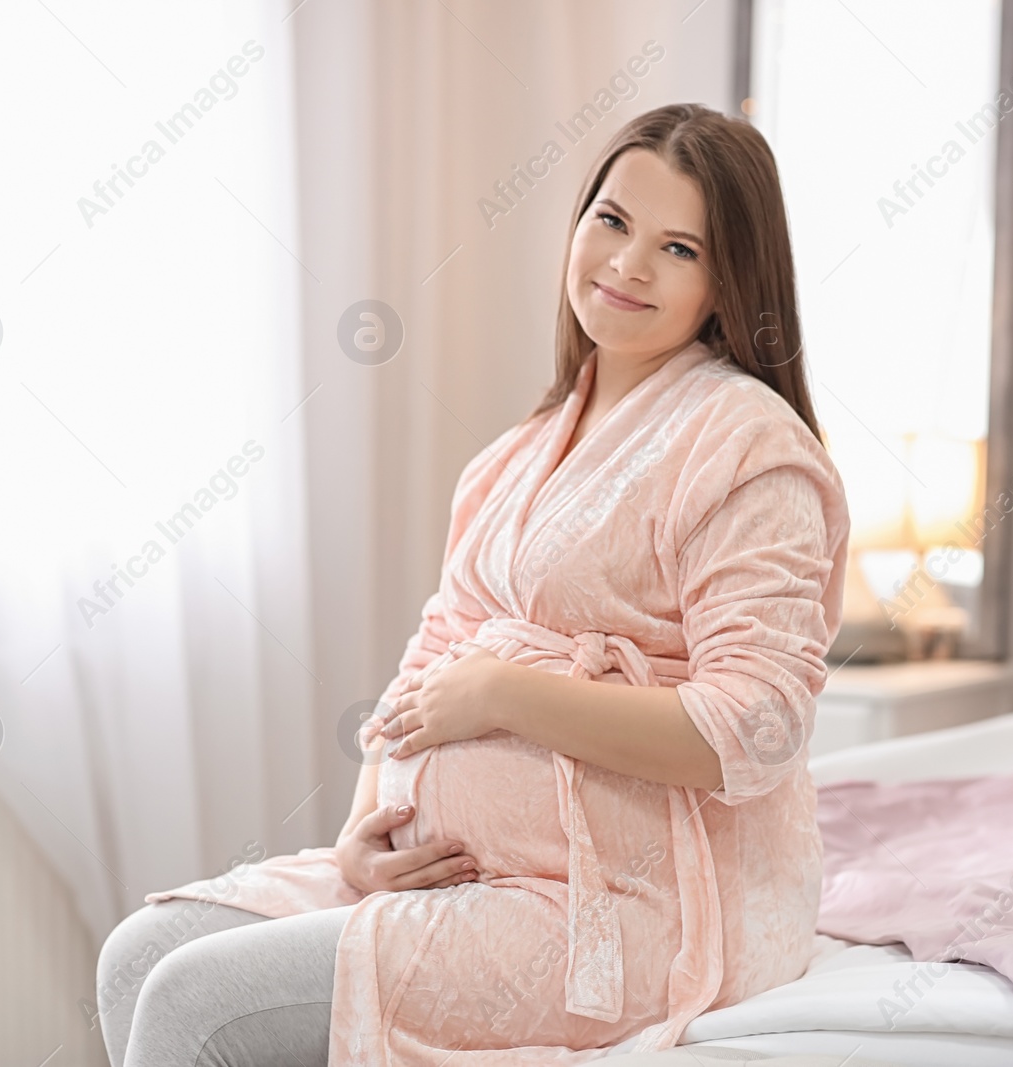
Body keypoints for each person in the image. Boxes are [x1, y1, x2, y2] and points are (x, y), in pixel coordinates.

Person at [95, 102, 850, 1067]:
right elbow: (434, 649)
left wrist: (503, 694)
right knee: (138, 957)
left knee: (198, 1001)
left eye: (678, 249)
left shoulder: (749, 447)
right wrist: (362, 833)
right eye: (612, 222)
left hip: (616, 903)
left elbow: (757, 724)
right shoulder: (519, 452)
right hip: (466, 871)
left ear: (728, 283)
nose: (626, 265)